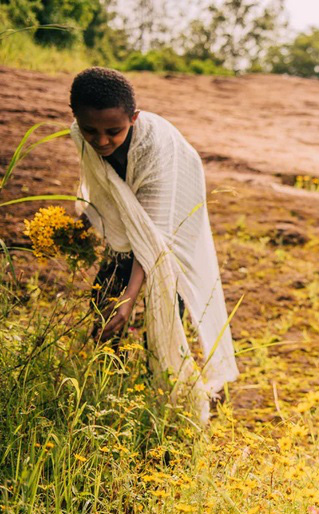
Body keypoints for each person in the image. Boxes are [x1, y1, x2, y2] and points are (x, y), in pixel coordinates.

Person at [69, 67, 239, 423]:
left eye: (113, 131)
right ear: (76, 119)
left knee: (166, 301)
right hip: (135, 217)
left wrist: (129, 301)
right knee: (105, 302)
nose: (101, 141)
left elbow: (155, 239)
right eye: (91, 131)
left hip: (174, 207)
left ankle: (174, 396)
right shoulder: (79, 133)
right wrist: (83, 222)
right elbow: (101, 185)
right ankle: (104, 391)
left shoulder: (157, 149)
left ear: (134, 117)